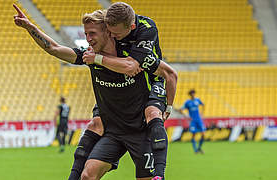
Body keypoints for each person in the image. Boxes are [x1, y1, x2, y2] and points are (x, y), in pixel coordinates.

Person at [13, 5, 177, 180]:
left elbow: (168, 73)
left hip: (141, 130)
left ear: (108, 32)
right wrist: (30, 27)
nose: (88, 39)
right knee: (87, 175)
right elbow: (54, 48)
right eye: (86, 34)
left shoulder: (135, 56)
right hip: (114, 131)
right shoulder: (88, 57)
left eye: (92, 34)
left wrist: (167, 107)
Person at [78, 2, 175, 180]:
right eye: (108, 31)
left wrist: (168, 107)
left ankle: (159, 175)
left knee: (153, 113)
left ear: (130, 27)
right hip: (119, 92)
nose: (111, 36)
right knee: (96, 123)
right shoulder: (114, 31)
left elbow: (133, 66)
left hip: (149, 78)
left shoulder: (147, 29)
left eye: (115, 33)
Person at [178, 89, 206, 154]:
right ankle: (195, 150)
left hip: (199, 120)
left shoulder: (197, 100)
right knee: (194, 135)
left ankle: (199, 148)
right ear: (190, 95)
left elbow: (203, 105)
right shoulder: (187, 102)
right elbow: (180, 109)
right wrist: (186, 116)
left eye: (193, 93)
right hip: (192, 121)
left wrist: (202, 113)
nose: (193, 94)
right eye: (192, 94)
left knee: (203, 134)